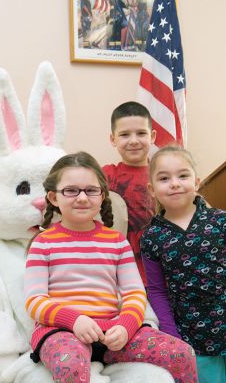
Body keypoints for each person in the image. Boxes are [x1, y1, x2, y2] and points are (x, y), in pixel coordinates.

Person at [24, 151, 198, 383]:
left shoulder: (116, 240)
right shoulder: (43, 242)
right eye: (71, 190)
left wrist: (126, 326)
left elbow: (135, 293)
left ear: (102, 195)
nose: (82, 198)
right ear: (54, 198)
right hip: (61, 332)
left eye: (91, 190)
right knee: (72, 366)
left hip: (112, 333)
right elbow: (34, 301)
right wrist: (74, 320)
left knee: (182, 354)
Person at [140, 145, 226, 383]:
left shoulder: (220, 221)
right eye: (164, 178)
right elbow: (156, 290)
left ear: (196, 182)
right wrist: (171, 333)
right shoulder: (152, 237)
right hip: (193, 337)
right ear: (152, 189)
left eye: (183, 175)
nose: (175, 183)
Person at [103, 101, 156, 284]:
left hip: (156, 261)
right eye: (124, 135)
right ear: (113, 139)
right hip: (116, 262)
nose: (133, 140)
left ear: (152, 136)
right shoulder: (105, 175)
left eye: (141, 133)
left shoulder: (164, 174)